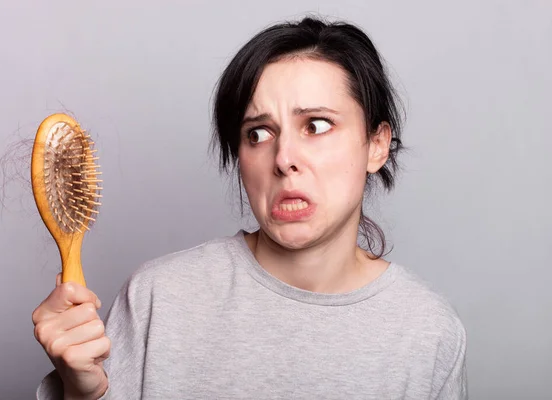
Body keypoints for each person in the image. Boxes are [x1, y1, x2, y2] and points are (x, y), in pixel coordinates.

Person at [32, 16, 468, 399]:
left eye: (316, 126)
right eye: (258, 134)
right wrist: (80, 392)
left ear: (376, 145)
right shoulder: (159, 299)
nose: (283, 159)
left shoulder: (428, 331)